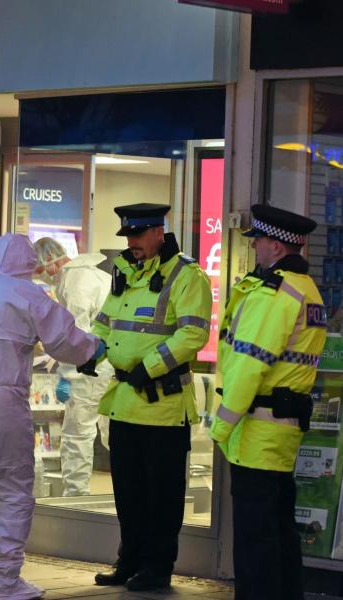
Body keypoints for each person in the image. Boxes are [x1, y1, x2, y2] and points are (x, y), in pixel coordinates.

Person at [0, 233, 104, 600]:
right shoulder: (26, 294)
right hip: (1, 404)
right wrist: (95, 349)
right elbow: (66, 342)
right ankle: (5, 582)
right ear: (28, 266)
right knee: (12, 490)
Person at [91, 203, 212, 592]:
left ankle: (157, 568)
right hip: (125, 400)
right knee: (128, 494)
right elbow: (105, 322)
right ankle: (128, 562)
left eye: (139, 235)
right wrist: (89, 351)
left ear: (159, 232)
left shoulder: (185, 275)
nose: (132, 243)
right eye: (127, 236)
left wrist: (151, 366)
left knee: (162, 497)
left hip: (162, 404)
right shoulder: (124, 271)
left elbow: (194, 334)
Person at [210, 205, 325, 600]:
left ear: (275, 246)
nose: (254, 247)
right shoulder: (306, 290)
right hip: (282, 428)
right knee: (278, 531)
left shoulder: (274, 293)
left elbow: (249, 365)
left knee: (255, 538)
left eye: (258, 241)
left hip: (258, 429)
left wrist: (221, 425)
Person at [33, 237, 113, 496]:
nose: (43, 277)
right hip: (111, 367)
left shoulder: (74, 283)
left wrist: (67, 375)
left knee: (78, 434)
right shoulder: (93, 275)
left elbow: (78, 337)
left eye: (40, 270)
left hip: (92, 371)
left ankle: (76, 497)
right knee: (112, 432)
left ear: (50, 264)